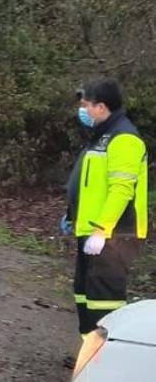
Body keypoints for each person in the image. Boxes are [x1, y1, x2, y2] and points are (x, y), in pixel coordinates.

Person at [63, 78, 147, 338]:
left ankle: (108, 361)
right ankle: (89, 357)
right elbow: (88, 185)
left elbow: (122, 190)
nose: (83, 110)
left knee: (104, 302)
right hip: (90, 231)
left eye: (86, 105)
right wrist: (71, 214)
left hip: (114, 236)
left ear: (101, 107)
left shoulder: (124, 139)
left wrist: (102, 230)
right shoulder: (100, 136)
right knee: (84, 294)